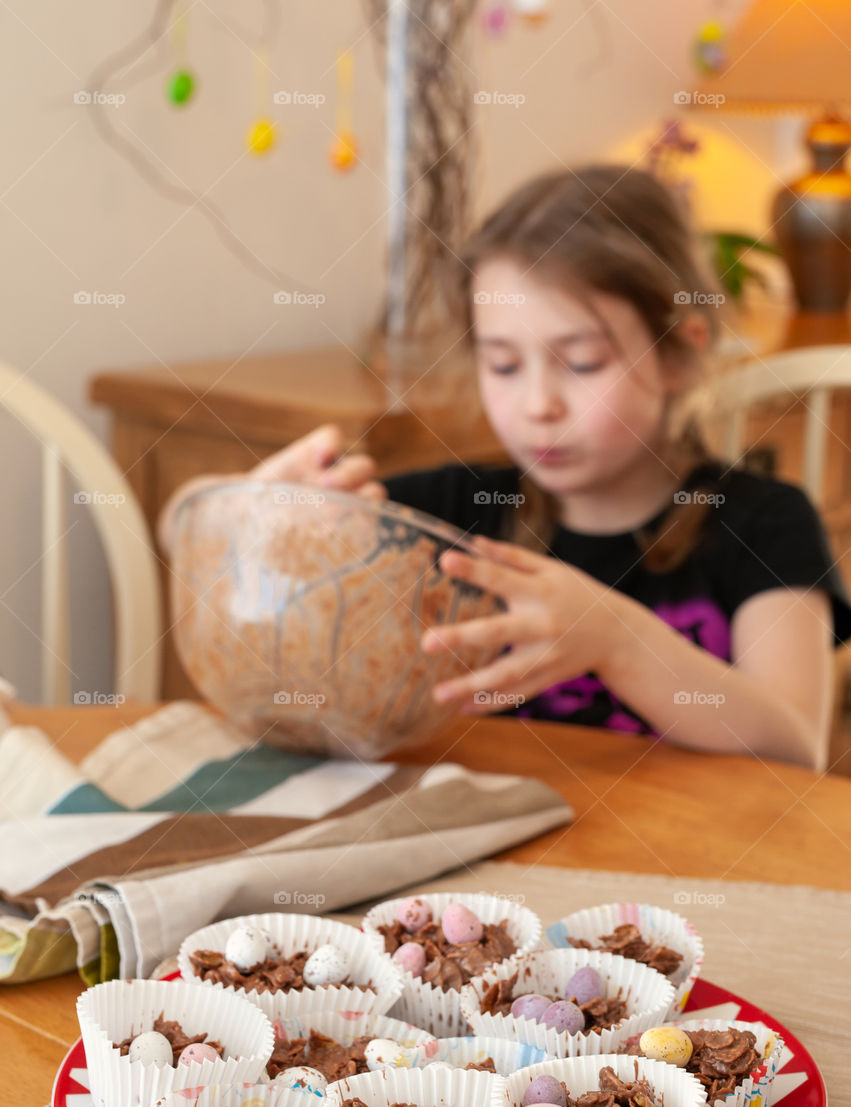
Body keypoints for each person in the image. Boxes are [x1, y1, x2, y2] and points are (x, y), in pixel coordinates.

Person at [160, 166, 851, 770]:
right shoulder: (461, 509)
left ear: (677, 353)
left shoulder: (763, 521)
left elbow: (794, 747)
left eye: (581, 363)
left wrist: (618, 641)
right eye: (503, 363)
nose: (537, 404)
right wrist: (245, 506)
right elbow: (177, 525)